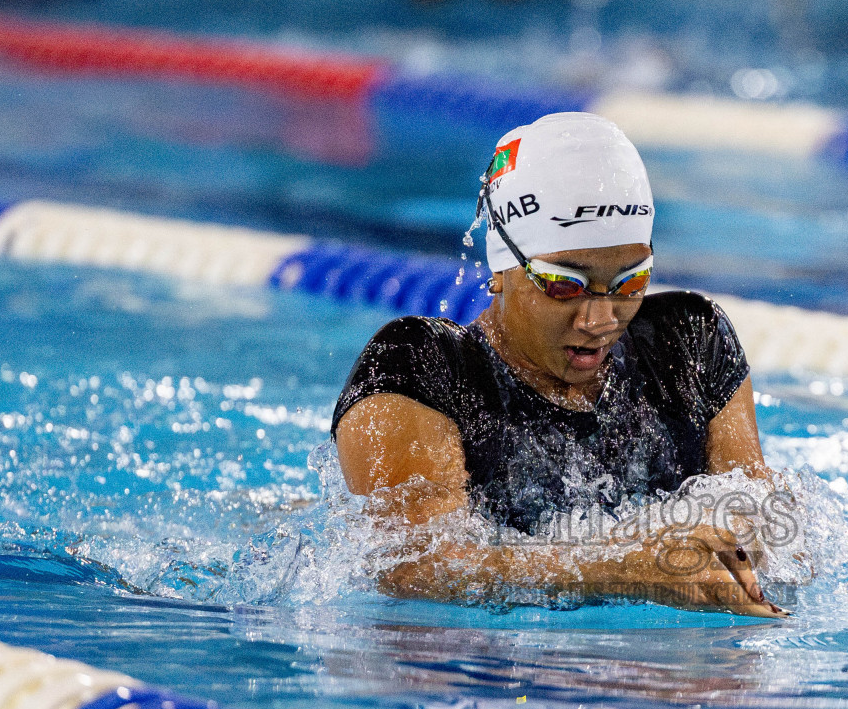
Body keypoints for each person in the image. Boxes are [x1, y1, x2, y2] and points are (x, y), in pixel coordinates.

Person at [332, 112, 787, 617]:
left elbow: (760, 506)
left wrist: (747, 540)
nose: (600, 319)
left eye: (630, 282)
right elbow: (414, 567)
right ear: (502, 267)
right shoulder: (420, 368)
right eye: (564, 285)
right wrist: (626, 568)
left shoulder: (689, 343)